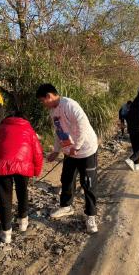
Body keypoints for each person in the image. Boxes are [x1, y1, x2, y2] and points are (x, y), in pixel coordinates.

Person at [36, 83, 99, 234]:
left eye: (42, 100)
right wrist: (56, 151)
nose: (42, 104)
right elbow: (59, 131)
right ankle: (66, 206)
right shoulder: (53, 111)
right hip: (70, 151)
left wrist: (77, 146)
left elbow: (83, 124)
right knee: (67, 179)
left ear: (49, 96)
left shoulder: (70, 105)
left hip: (86, 150)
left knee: (87, 183)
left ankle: (91, 216)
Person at [0, 111, 43, 243]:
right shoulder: (29, 129)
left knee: (4, 198)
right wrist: (36, 171)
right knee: (22, 192)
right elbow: (38, 152)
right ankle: (23, 222)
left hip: (3, 166)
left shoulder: (1, 128)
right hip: (24, 167)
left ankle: (6, 233)